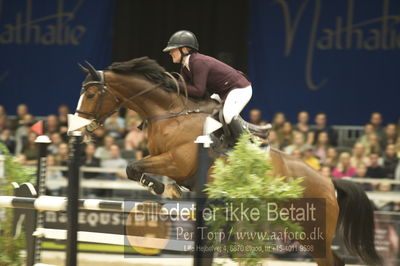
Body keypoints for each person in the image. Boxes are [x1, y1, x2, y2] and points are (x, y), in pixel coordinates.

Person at [163, 30, 268, 137]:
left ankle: (252, 140)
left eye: (173, 50)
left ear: (185, 49)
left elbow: (199, 91)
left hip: (239, 88)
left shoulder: (198, 62)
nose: (170, 52)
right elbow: (183, 90)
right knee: (207, 123)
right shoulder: (185, 67)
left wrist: (173, 84)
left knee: (228, 115)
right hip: (224, 92)